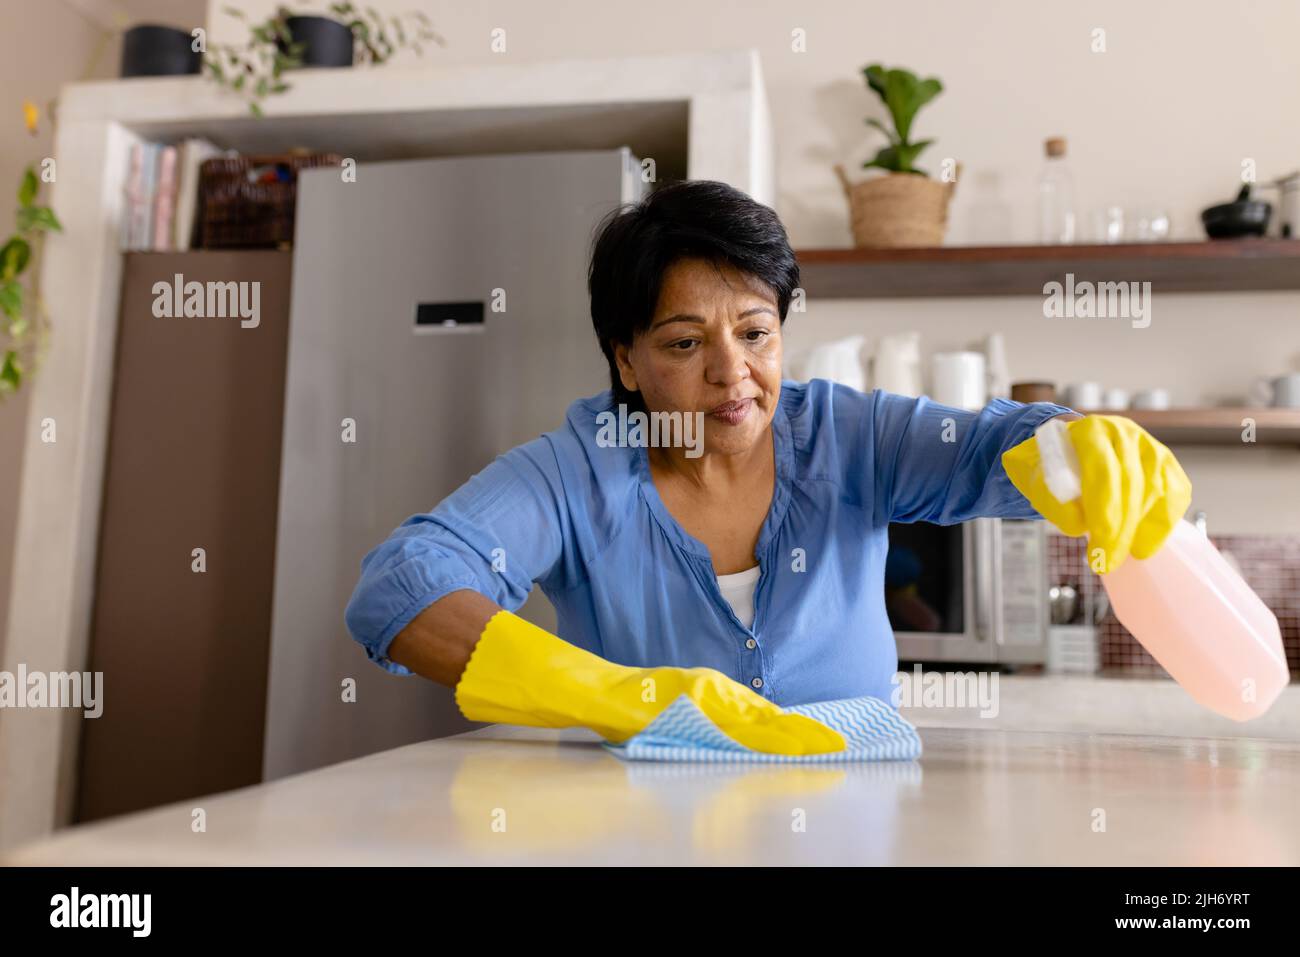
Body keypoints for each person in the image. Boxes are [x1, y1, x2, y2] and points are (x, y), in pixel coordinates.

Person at [344, 180, 1190, 755]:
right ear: (627, 360)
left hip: (852, 825)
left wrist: (1071, 444)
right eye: (684, 342)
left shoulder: (850, 434)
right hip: (637, 835)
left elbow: (985, 452)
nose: (732, 372)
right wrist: (613, 696)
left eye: (755, 332)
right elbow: (399, 586)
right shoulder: (576, 473)